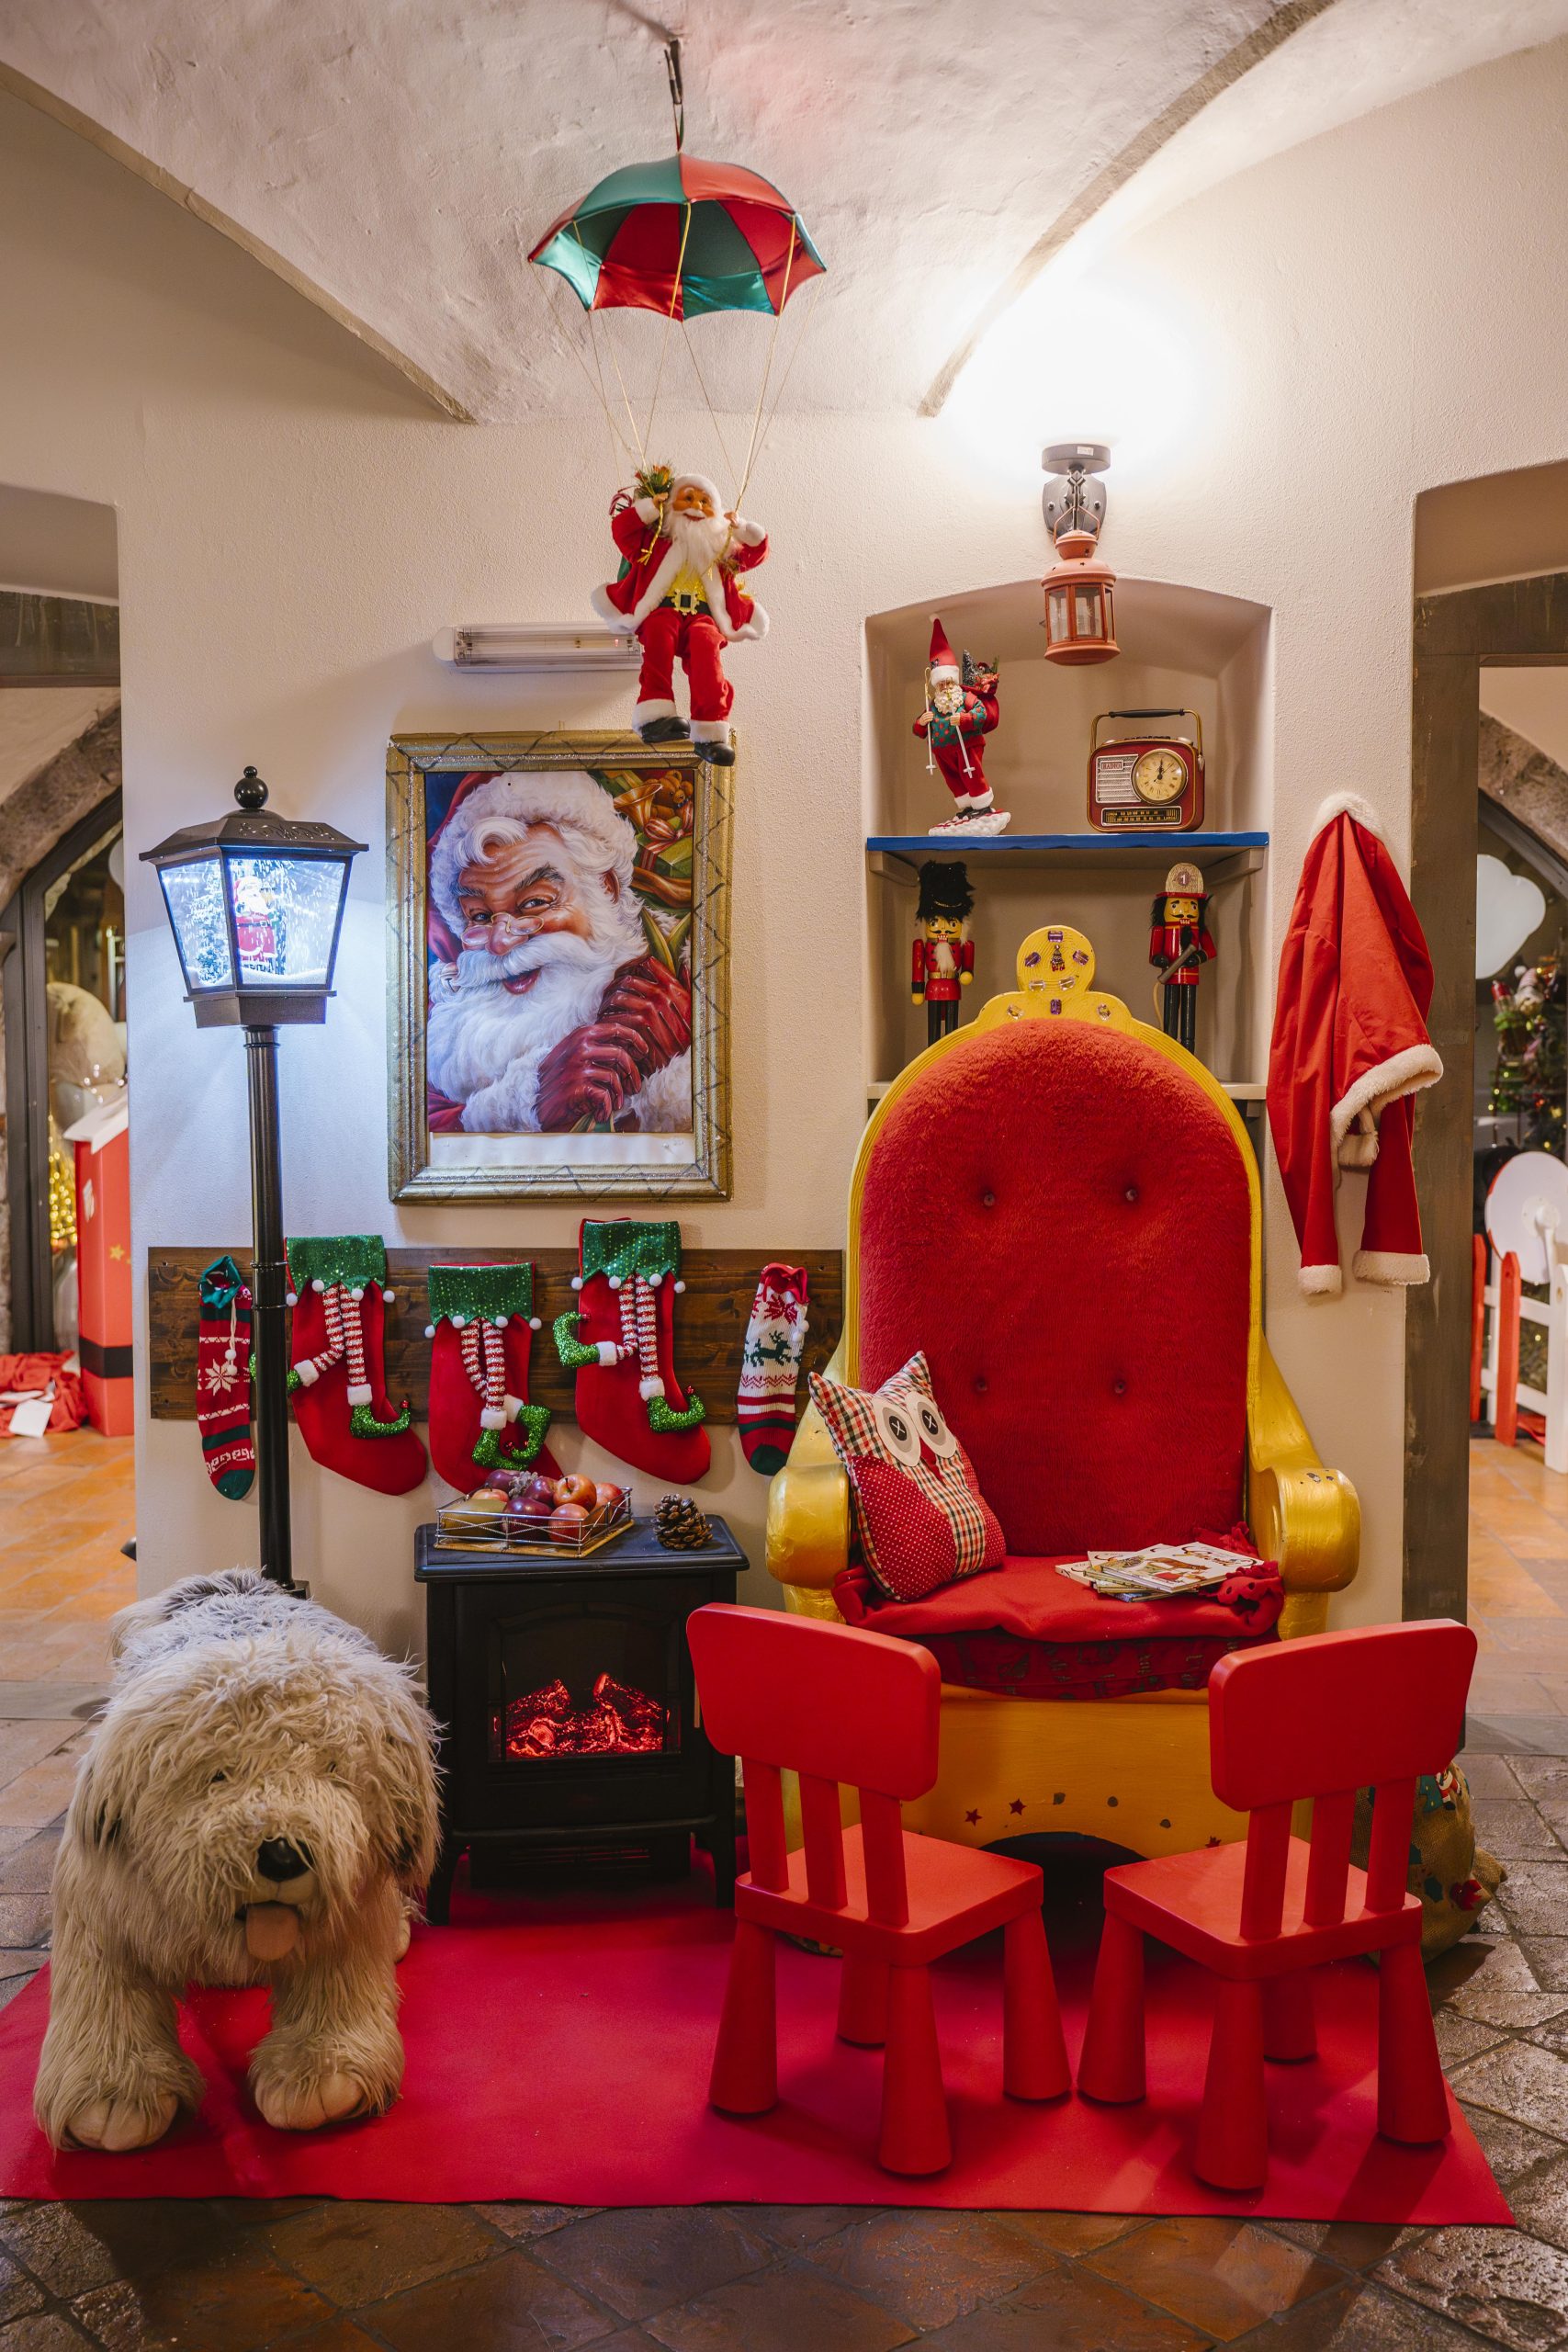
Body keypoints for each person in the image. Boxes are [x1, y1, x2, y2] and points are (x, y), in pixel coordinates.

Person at [425, 771, 691, 1135]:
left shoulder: (683, 984)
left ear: (606, 889)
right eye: (481, 916)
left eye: (535, 903)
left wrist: (682, 1057)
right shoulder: (449, 1024)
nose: (501, 944)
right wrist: (526, 1100)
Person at [592, 468, 768, 763]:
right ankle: (654, 714)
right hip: (663, 611)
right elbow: (623, 532)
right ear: (671, 503)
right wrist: (649, 509)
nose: (697, 507)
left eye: (705, 501)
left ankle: (710, 730)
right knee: (660, 630)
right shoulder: (654, 543)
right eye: (688, 498)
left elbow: (755, 554)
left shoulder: (721, 547)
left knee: (706, 644)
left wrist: (743, 529)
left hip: (702, 617)